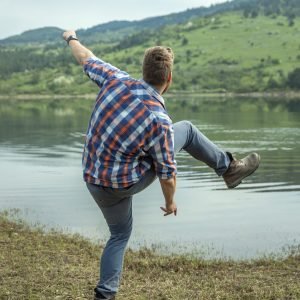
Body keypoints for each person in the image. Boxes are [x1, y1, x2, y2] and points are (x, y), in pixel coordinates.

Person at [63, 30, 260, 300]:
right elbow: (167, 175)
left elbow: (85, 57)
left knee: (119, 234)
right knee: (187, 130)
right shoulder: (159, 119)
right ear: (169, 79)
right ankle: (229, 169)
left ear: (143, 71)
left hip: (93, 178)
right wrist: (170, 203)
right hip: (125, 182)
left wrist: (71, 38)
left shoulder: (114, 78)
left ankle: (104, 295)